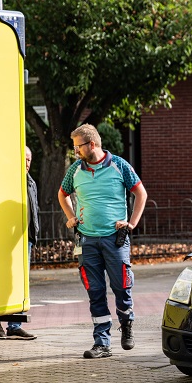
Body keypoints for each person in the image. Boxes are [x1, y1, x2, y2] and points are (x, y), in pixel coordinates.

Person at [58, 124, 147, 359]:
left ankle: (126, 325)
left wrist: (132, 223)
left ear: (92, 144)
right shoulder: (75, 170)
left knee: (121, 287)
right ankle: (102, 343)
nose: (75, 151)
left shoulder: (119, 165)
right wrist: (71, 217)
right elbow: (62, 194)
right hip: (86, 239)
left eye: (78, 147)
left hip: (114, 239)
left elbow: (141, 193)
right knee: (95, 291)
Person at [0, 146, 39, 340]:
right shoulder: (8, 183)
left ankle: (15, 325)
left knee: (20, 284)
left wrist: (33, 235)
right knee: (2, 280)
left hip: (25, 239)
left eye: (29, 160)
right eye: (23, 159)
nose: (26, 163)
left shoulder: (30, 182)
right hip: (7, 240)